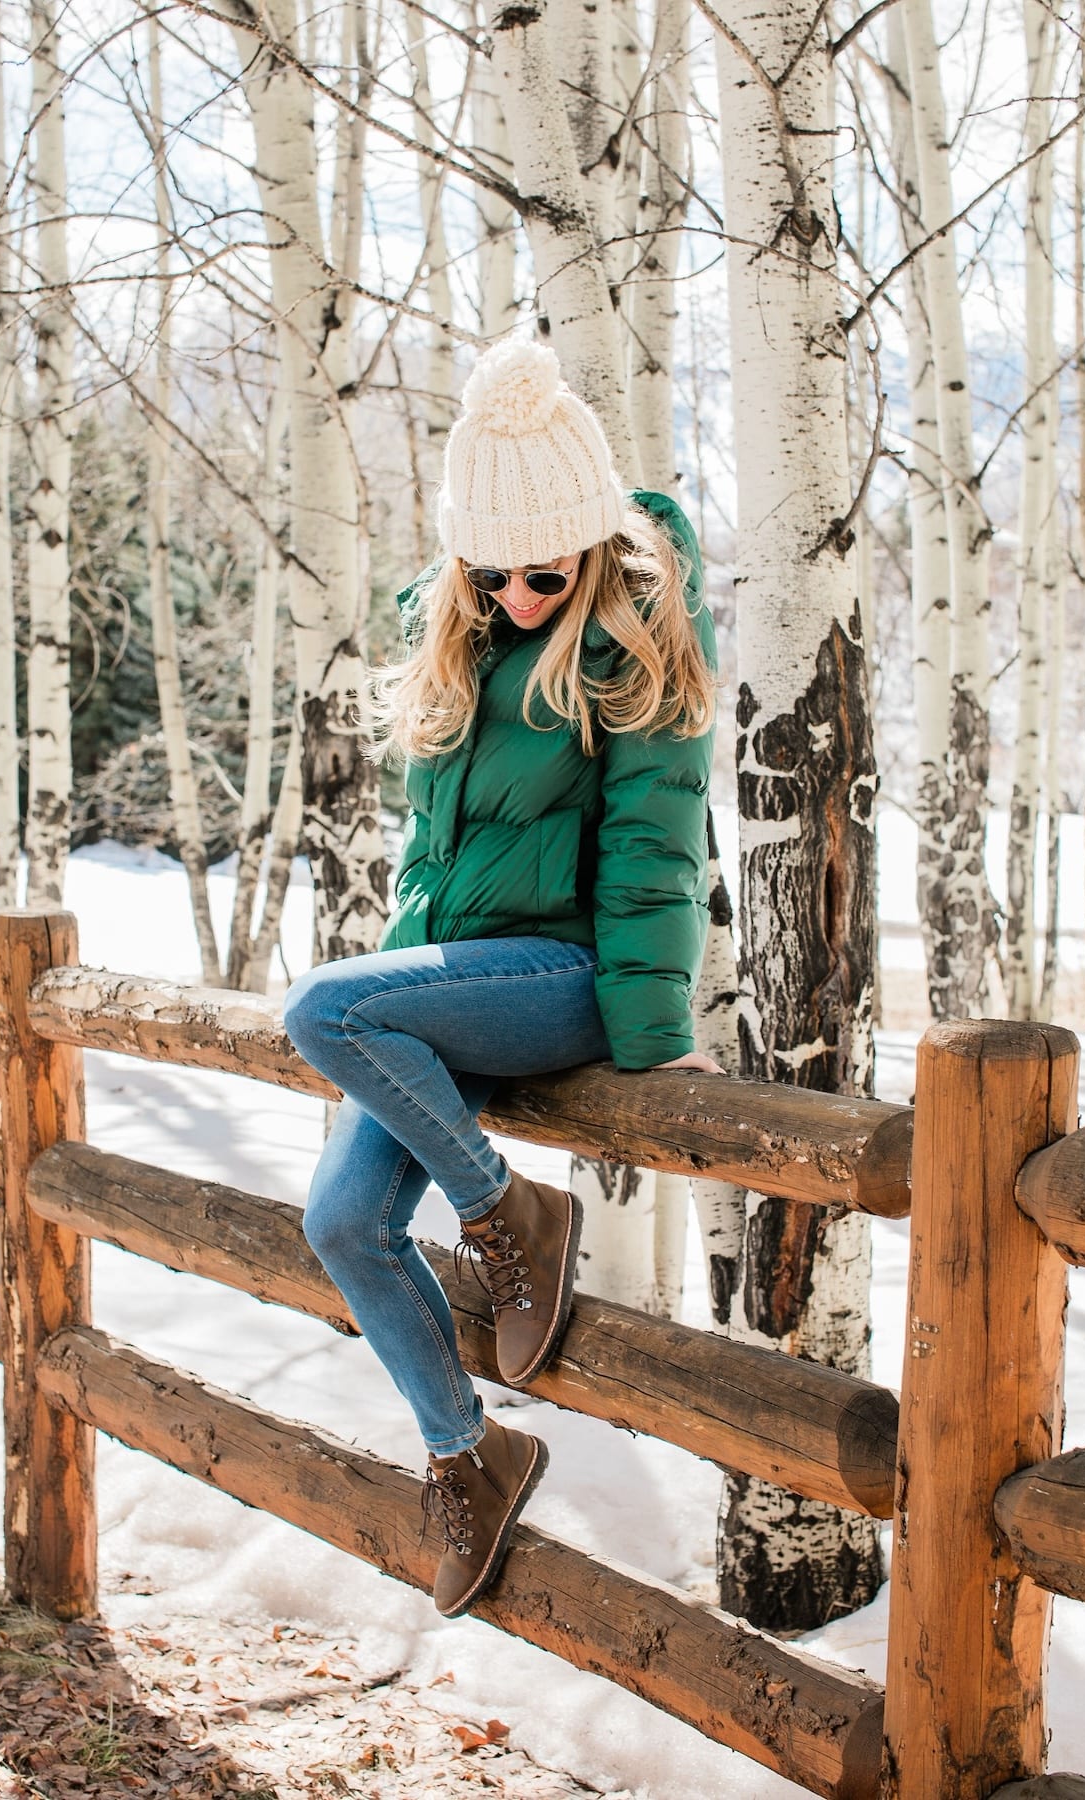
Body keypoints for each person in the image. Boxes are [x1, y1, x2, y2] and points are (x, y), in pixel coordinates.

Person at [283, 335, 719, 1620]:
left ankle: (508, 1215)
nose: (520, 593)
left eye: (546, 571)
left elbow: (655, 865)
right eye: (494, 569)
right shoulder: (462, 641)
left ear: (590, 545)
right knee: (342, 1225)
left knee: (324, 1001)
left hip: (567, 980)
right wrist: (418, 993)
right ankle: (470, 1455)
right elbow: (433, 863)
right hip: (462, 986)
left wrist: (653, 1039)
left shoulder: (637, 659)